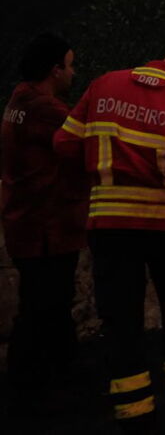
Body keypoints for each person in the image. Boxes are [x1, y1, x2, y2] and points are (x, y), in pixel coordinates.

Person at [53, 37, 165, 433]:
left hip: (108, 225)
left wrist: (99, 181)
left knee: (121, 321)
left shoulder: (103, 85)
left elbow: (63, 143)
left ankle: (135, 414)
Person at [2, 33, 87, 416]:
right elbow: (84, 142)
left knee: (42, 305)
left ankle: (46, 378)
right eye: (70, 65)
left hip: (24, 221)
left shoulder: (17, 101)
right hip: (46, 227)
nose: (74, 72)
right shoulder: (46, 111)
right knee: (44, 305)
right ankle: (34, 387)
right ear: (54, 71)